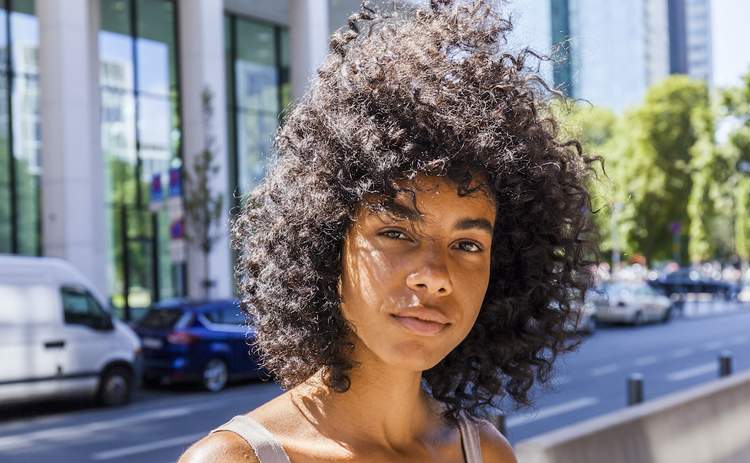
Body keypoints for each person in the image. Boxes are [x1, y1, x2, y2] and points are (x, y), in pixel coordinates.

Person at [180, 0, 596, 461]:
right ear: (327, 246)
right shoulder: (236, 459)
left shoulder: (486, 452)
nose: (435, 274)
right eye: (396, 233)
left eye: (467, 244)